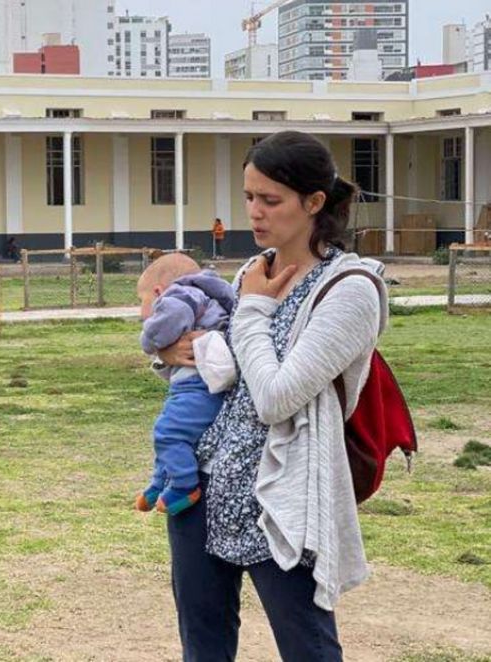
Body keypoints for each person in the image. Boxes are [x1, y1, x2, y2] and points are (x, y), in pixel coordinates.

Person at [157, 130, 384, 661]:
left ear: (313, 202)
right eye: (248, 197)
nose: (255, 213)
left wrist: (254, 311)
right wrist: (174, 354)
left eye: (270, 200)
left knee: (308, 647)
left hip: (281, 497)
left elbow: (276, 398)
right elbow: (228, 373)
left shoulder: (350, 289)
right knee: (203, 646)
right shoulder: (251, 271)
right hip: (204, 482)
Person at [134, 253, 236, 515]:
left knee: (169, 433)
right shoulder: (202, 297)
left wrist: (150, 342)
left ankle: (184, 486)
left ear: (158, 292)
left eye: (142, 302)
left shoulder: (180, 295)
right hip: (192, 386)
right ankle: (160, 482)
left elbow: (168, 319)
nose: (141, 312)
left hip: (198, 388)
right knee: (169, 431)